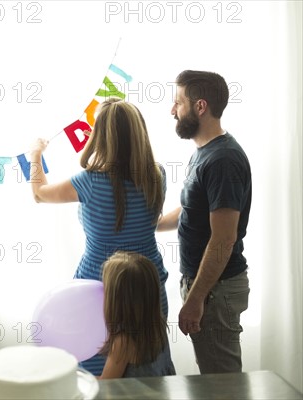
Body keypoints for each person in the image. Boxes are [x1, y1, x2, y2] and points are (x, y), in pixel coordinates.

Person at [30, 97, 168, 376]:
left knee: (100, 378)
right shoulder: (157, 175)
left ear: (101, 137)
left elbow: (39, 194)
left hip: (101, 295)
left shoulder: (89, 182)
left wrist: (35, 155)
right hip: (147, 287)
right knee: (147, 375)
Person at [157, 70, 252, 374]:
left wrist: (196, 298)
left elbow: (223, 239)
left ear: (200, 106)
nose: (172, 110)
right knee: (213, 377)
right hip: (207, 287)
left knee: (222, 384)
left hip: (215, 290)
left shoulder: (222, 160)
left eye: (177, 103)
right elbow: (190, 211)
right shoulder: (204, 152)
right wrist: (150, 223)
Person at [99, 251, 176, 379]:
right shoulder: (157, 325)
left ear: (117, 300)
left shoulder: (123, 342)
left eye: (105, 290)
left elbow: (106, 385)